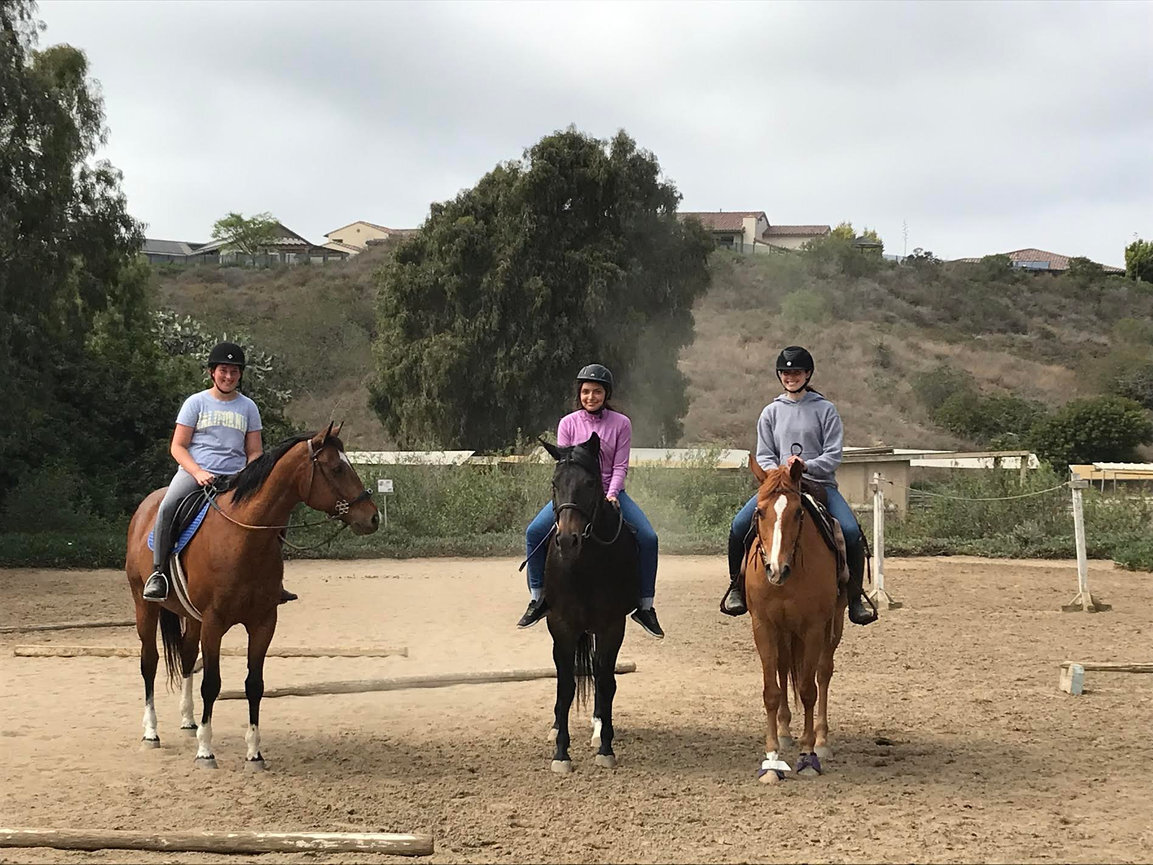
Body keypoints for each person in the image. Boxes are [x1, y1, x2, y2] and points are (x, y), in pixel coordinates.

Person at [721, 345, 877, 626]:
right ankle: (736, 588)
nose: (791, 377)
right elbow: (765, 452)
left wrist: (806, 465)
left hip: (819, 484)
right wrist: (779, 472)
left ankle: (855, 598)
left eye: (796, 372)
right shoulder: (771, 412)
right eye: (786, 372)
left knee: (851, 532)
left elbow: (833, 454)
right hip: (780, 486)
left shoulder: (825, 410)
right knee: (738, 525)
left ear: (807, 374)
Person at [516, 363, 664, 639]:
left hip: (610, 493)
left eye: (597, 392)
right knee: (534, 532)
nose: (591, 397)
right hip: (573, 497)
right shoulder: (568, 423)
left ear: (606, 394)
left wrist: (612, 493)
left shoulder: (621, 424)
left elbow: (620, 466)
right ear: (579, 394)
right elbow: (565, 465)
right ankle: (538, 599)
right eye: (586, 392)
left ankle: (645, 606)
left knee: (648, 538)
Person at [143, 342, 296, 605]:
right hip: (196, 473)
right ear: (212, 372)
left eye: (234, 372)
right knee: (168, 506)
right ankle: (159, 574)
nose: (228, 376)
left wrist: (252, 475)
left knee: (273, 513)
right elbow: (177, 446)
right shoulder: (196, 403)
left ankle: (273, 580)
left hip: (236, 477)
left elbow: (254, 451)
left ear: (240, 375)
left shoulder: (248, 407)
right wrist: (198, 472)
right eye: (223, 370)